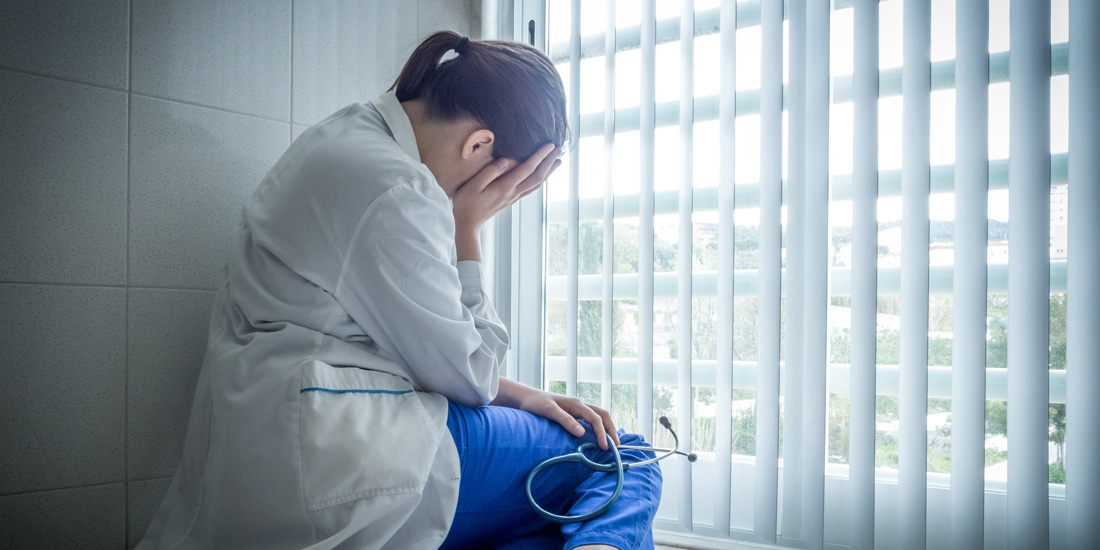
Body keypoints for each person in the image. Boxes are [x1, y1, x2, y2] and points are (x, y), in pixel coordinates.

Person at [136, 31, 661, 550]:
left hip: (268, 444)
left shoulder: (343, 135)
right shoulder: (400, 190)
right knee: (626, 458)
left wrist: (524, 395)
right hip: (343, 453)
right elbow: (471, 377)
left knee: (548, 530)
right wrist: (467, 227)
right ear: (479, 145)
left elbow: (422, 349)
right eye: (508, 188)